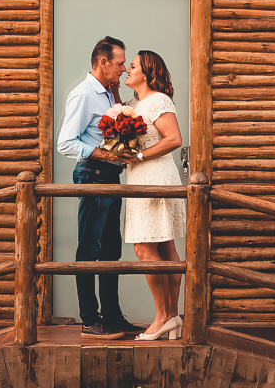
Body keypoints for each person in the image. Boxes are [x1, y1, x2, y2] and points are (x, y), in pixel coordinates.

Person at [56, 36, 142, 340]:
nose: (122, 69)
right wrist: (104, 154)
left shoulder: (108, 93)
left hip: (109, 175)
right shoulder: (83, 94)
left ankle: (113, 316)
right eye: (119, 64)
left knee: (110, 250)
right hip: (92, 174)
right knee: (89, 249)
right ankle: (90, 320)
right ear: (102, 62)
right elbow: (65, 142)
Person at [121, 49, 185, 341]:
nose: (126, 70)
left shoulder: (157, 100)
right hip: (138, 178)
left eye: (131, 66)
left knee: (144, 249)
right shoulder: (132, 104)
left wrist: (140, 155)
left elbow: (174, 138)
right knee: (164, 247)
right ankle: (173, 317)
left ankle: (161, 317)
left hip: (155, 177)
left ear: (146, 73)